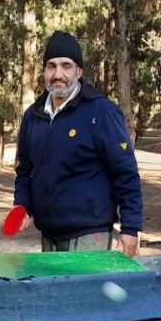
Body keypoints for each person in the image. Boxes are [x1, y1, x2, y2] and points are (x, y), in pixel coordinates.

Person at [13, 31, 142, 254]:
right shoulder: (33, 116)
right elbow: (25, 170)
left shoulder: (100, 111)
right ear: (44, 71)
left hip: (90, 235)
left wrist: (130, 228)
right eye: (51, 66)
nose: (58, 74)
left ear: (79, 71)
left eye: (66, 66)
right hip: (49, 235)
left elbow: (125, 172)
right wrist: (23, 205)